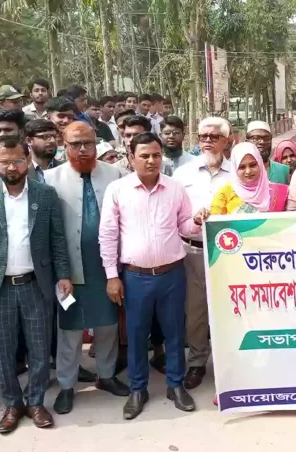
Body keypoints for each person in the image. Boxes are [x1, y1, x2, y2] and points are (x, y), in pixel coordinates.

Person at [0, 136, 72, 434]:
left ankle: (36, 401)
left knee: (39, 348)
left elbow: (57, 239)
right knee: (2, 349)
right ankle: (12, 403)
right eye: (5, 161)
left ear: (27, 160)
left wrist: (63, 274)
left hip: (36, 285)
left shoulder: (45, 194)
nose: (11, 166)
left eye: (17, 160)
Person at [99, 132, 209, 419]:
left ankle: (175, 385)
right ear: (131, 156)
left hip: (172, 274)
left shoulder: (174, 188)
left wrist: (196, 221)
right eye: (144, 155)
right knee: (136, 335)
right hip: (135, 277)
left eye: (156, 155)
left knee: (175, 332)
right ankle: (138, 389)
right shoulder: (118, 189)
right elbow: (108, 235)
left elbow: (184, 226)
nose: (151, 160)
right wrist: (112, 276)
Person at [45, 122, 128, 415]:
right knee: (70, 329)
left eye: (88, 143)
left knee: (108, 323)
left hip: (106, 266)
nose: (83, 150)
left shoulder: (116, 174)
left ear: (97, 143)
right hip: (68, 268)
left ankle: (106, 375)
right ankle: (67, 385)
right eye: (75, 144)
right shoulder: (49, 179)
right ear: (63, 146)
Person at [172, 117, 233, 389]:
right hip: (193, 250)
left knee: (229, 309)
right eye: (203, 136)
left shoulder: (239, 172)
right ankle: (197, 362)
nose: (207, 141)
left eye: (214, 136)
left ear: (226, 140)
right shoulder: (182, 174)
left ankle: (229, 363)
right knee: (195, 311)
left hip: (231, 254)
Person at [211, 142, 289, 214]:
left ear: (260, 164)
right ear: (235, 169)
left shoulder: (278, 192)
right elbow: (214, 222)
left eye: (253, 165)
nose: (248, 171)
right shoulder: (225, 193)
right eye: (242, 167)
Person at [46, 96, 78, 162]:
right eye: (61, 116)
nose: (66, 120)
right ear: (48, 116)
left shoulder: (79, 140)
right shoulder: (39, 141)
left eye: (70, 117)